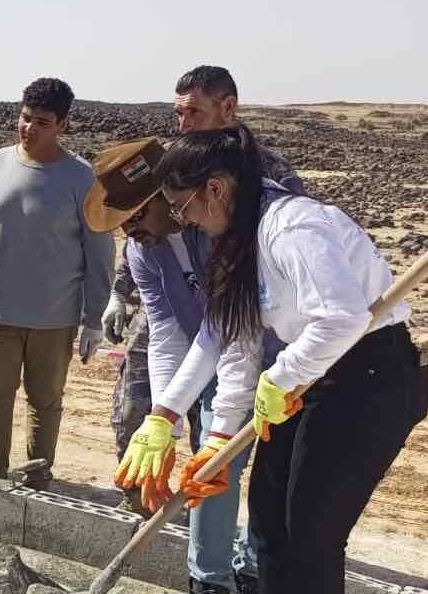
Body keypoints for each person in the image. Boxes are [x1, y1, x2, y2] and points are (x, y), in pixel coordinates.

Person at [120, 124, 427, 594]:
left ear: (214, 188)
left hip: (369, 379)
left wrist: (281, 377)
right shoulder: (235, 242)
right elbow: (232, 346)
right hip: (309, 378)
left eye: (180, 204)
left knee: (310, 536)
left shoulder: (292, 227)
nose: (182, 218)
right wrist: (202, 435)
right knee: (267, 523)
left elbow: (342, 318)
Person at [106, 65, 303, 515]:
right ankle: (147, 505)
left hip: (256, 326)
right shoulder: (174, 170)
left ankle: (230, 555)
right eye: (178, 114)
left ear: (228, 107)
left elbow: (240, 320)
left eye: (193, 112)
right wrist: (163, 416)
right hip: (193, 311)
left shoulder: (261, 176)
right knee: (143, 409)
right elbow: (145, 233)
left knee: (226, 442)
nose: (183, 124)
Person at [91, 137, 264, 594]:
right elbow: (169, 329)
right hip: (209, 356)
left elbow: (237, 336)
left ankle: (254, 588)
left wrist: (194, 419)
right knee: (211, 473)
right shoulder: (145, 252)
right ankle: (209, 591)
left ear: (166, 198)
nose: (128, 230)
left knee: (269, 478)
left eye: (133, 215)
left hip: (279, 365)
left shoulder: (220, 233)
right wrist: (160, 422)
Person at [0, 77, 114, 489]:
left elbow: (100, 253)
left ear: (62, 124)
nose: (29, 129)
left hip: (53, 319)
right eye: (25, 118)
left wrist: (93, 317)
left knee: (45, 403)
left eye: (42, 122)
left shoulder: (81, 179)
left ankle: (37, 479)